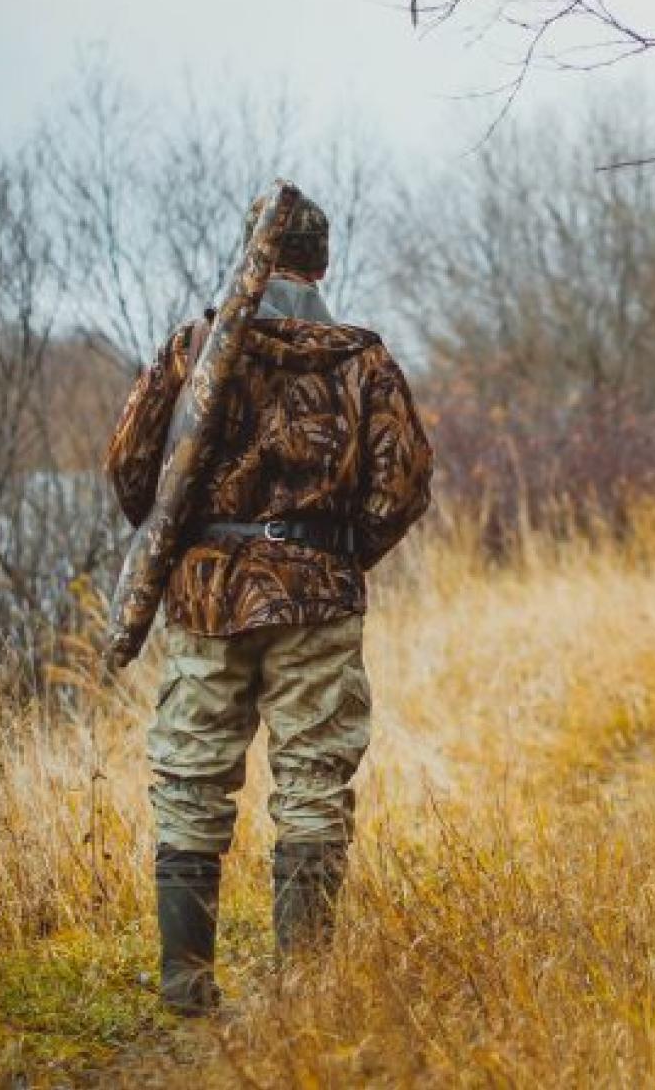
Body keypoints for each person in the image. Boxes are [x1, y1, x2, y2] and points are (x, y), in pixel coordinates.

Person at [103, 193, 433, 1016]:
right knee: (314, 778)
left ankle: (185, 984)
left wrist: (196, 543)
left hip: (208, 596)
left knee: (189, 774)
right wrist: (340, 555)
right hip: (318, 594)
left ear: (252, 252)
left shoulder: (195, 348)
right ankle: (303, 993)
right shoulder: (363, 362)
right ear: (323, 266)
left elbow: (131, 470)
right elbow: (403, 487)